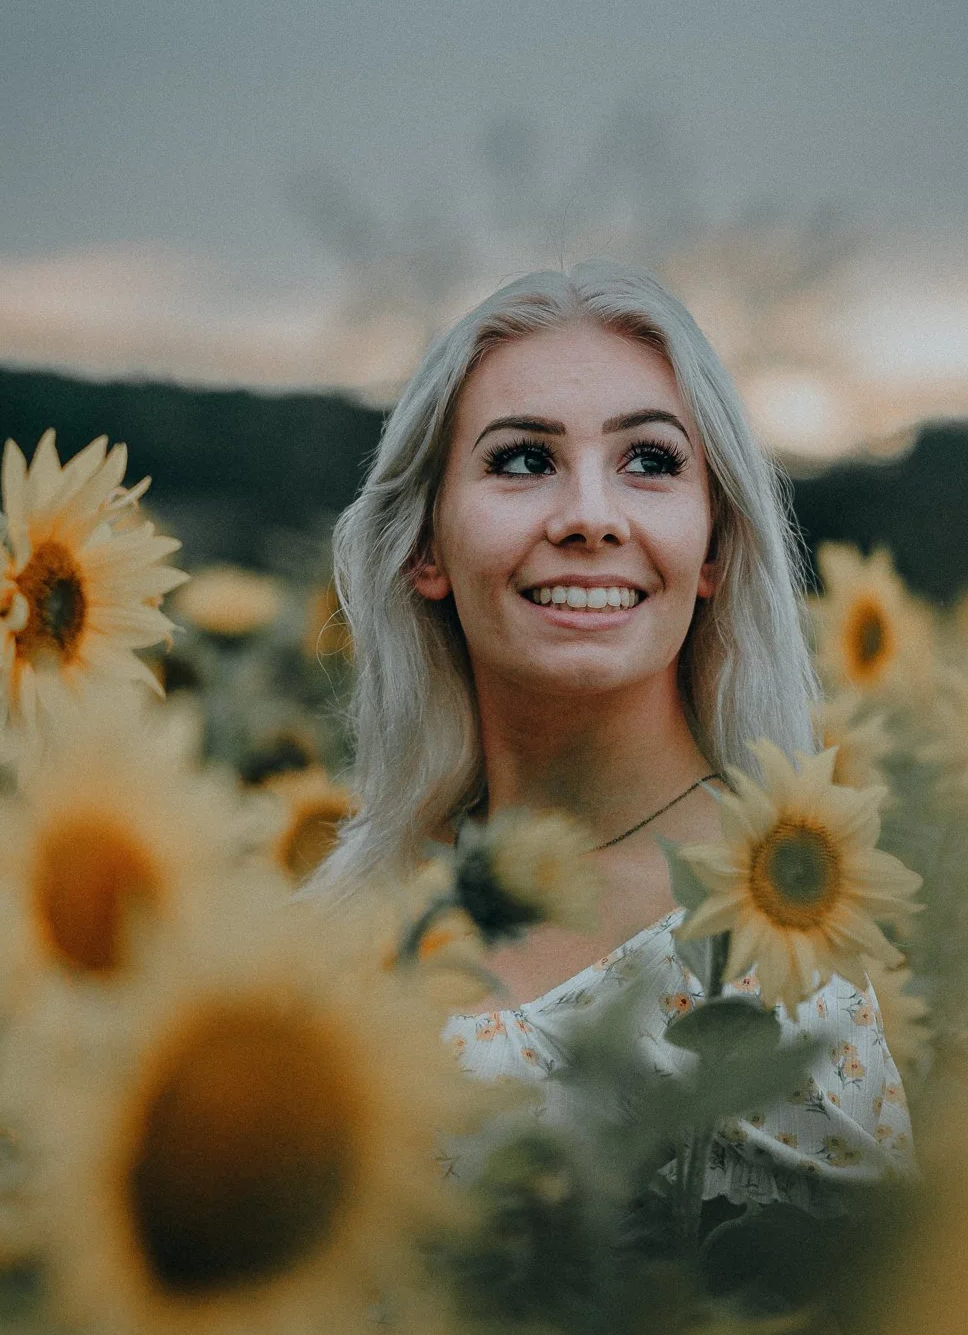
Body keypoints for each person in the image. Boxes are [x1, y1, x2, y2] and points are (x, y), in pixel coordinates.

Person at [317, 263, 913, 1215]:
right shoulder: (349, 921)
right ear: (424, 547)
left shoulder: (778, 931)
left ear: (714, 547)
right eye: (522, 460)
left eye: (650, 461)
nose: (590, 517)